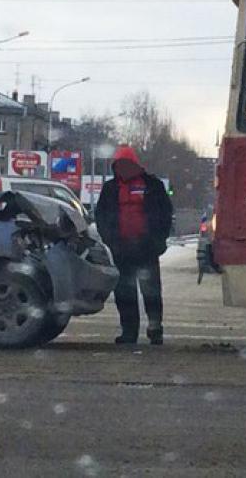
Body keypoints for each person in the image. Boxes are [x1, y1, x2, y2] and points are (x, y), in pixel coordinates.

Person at [95, 145, 174, 345]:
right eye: (119, 165)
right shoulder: (110, 188)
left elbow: (165, 214)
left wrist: (158, 240)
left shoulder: (152, 185)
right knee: (124, 293)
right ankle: (129, 332)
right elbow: (101, 216)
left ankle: (155, 328)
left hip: (146, 248)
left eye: (126, 164)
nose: (123, 168)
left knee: (151, 291)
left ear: (135, 165)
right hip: (121, 250)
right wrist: (110, 240)